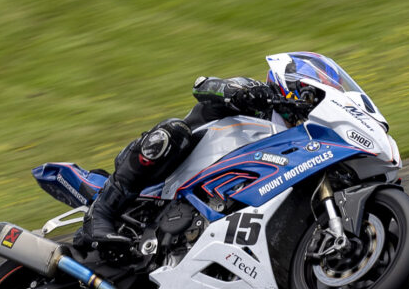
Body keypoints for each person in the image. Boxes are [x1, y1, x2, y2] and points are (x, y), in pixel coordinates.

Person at [73, 75, 282, 250]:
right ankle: (100, 213)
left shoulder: (290, 147)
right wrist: (239, 91)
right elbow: (201, 84)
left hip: (204, 197)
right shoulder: (257, 93)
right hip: (162, 169)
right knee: (174, 131)